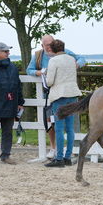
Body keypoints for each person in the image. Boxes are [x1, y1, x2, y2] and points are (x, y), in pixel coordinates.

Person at [26, 35, 85, 159]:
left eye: (50, 44)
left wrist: (76, 65)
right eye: (45, 45)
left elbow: (50, 81)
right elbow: (29, 70)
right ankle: (61, 152)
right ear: (42, 45)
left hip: (57, 93)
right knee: (55, 123)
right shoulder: (38, 55)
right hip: (61, 93)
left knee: (60, 125)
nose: (48, 47)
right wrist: (39, 72)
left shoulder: (60, 56)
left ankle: (60, 155)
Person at [44, 39, 82, 167]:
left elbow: (49, 81)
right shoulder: (71, 59)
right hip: (72, 94)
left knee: (59, 128)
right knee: (70, 128)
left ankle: (59, 158)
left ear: (53, 49)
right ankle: (68, 157)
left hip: (60, 95)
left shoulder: (53, 61)